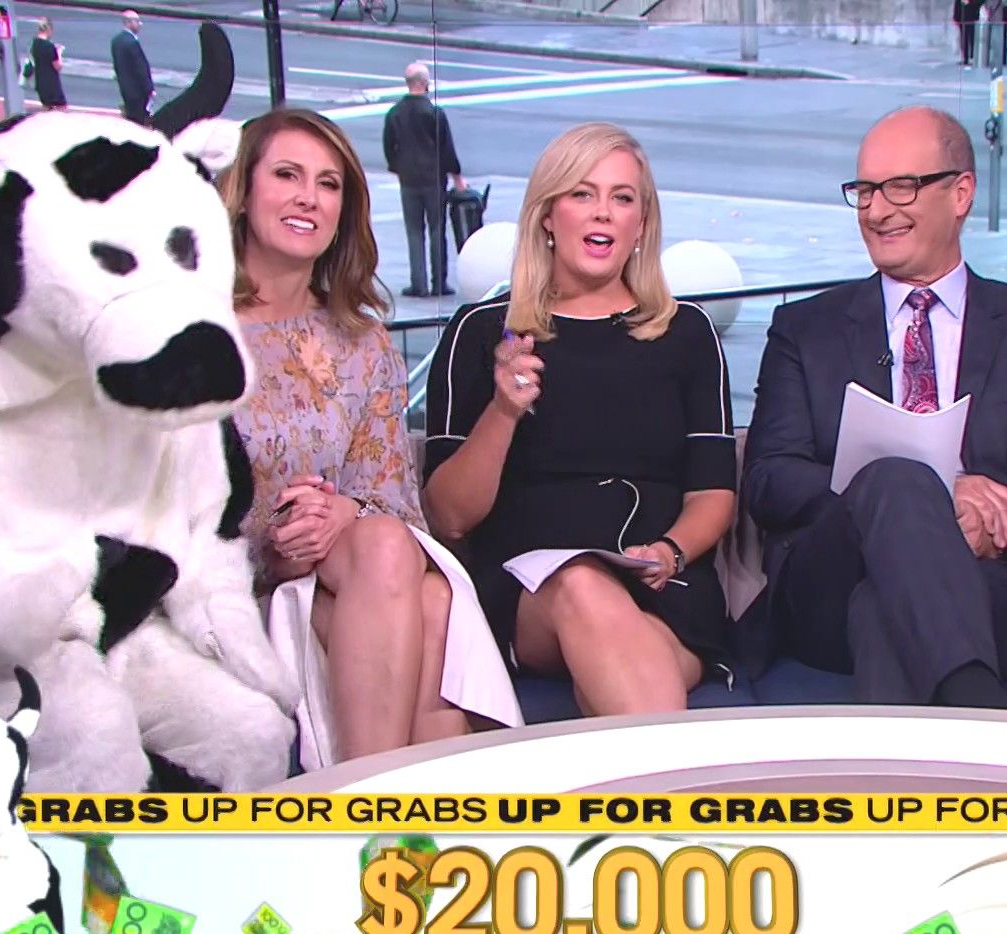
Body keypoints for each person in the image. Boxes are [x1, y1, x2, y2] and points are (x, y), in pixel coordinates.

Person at [740, 106, 1007, 707]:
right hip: (829, 583)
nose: (877, 210)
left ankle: (962, 710)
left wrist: (997, 537)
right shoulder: (805, 330)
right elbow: (769, 479)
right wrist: (926, 495)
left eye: (901, 187)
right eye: (865, 190)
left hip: (993, 581)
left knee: (884, 611)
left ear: (961, 193)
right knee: (896, 477)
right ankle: (984, 716)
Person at [220, 108, 520, 766]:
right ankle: (396, 813)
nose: (308, 197)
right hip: (228, 594)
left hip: (338, 585)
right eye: (287, 175)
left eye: (328, 184)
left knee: (397, 555)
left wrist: (343, 514)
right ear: (242, 191)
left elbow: (397, 508)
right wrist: (282, 546)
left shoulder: (361, 339)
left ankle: (366, 804)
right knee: (432, 607)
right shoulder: (192, 331)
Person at [423, 122, 737, 716]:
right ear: (547, 215)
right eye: (582, 193)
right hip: (531, 593)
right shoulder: (483, 331)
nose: (603, 213)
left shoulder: (688, 332)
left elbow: (713, 492)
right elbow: (449, 516)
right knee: (583, 585)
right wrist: (504, 411)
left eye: (622, 198)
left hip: (662, 587)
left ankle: (639, 771)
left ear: (641, 224)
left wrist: (670, 552)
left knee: (624, 661)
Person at [383, 62, 467, 298]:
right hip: (433, 179)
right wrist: (457, 177)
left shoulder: (395, 113)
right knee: (437, 229)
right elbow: (446, 148)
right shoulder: (434, 113)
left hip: (408, 179)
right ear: (424, 82)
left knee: (414, 231)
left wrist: (397, 167)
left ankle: (417, 284)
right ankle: (439, 282)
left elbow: (389, 146)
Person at [111, 9, 153, 123]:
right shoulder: (132, 43)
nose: (140, 24)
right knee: (139, 120)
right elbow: (140, 68)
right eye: (137, 21)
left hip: (125, 89)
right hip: (137, 92)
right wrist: (149, 88)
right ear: (129, 22)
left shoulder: (116, 41)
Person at [29, 18, 65, 110]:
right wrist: (59, 52)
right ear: (49, 30)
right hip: (52, 84)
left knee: (46, 108)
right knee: (60, 109)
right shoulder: (49, 46)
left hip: (40, 82)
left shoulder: (35, 43)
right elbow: (58, 66)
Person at [955, 0, 986, 68]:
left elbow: (980, 2)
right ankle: (965, 58)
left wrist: (970, 2)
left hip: (972, 18)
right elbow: (957, 4)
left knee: (972, 38)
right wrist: (956, 17)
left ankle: (973, 57)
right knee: (964, 39)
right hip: (962, 19)